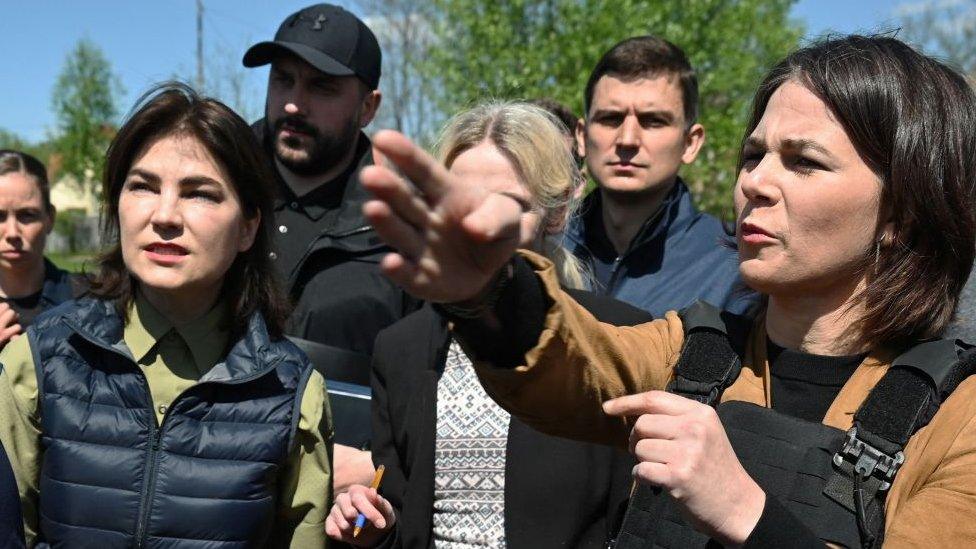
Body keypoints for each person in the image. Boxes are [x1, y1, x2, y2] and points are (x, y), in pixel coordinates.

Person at [360, 35, 976, 547]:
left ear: (902, 209)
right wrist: (488, 289)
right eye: (754, 154)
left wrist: (746, 515)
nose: (754, 184)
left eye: (804, 162)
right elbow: (571, 366)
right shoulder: (696, 354)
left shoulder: (956, 420)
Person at [0, 84, 332, 547]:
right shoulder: (36, 363)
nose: (165, 216)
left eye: (199, 194)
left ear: (249, 227)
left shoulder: (292, 394)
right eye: (143, 186)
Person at [325, 102, 645, 548]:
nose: (479, 227)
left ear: (557, 213)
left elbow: (637, 520)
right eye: (460, 205)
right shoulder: (402, 349)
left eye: (507, 206)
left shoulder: (619, 338)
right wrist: (371, 525)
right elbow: (398, 517)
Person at [244, 2, 420, 492]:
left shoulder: (404, 226)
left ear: (368, 107)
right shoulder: (216, 192)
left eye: (321, 87)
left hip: (344, 504)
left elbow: (426, 390)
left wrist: (379, 469)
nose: (294, 104)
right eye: (283, 80)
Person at [567, 36, 753, 317]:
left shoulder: (733, 265)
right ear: (582, 137)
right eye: (610, 118)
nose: (627, 139)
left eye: (653, 121)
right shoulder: (541, 248)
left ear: (690, 144)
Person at [0, 150, 87, 347]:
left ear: (50, 218)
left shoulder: (90, 300)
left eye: (27, 215)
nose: (13, 232)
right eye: (0, 217)